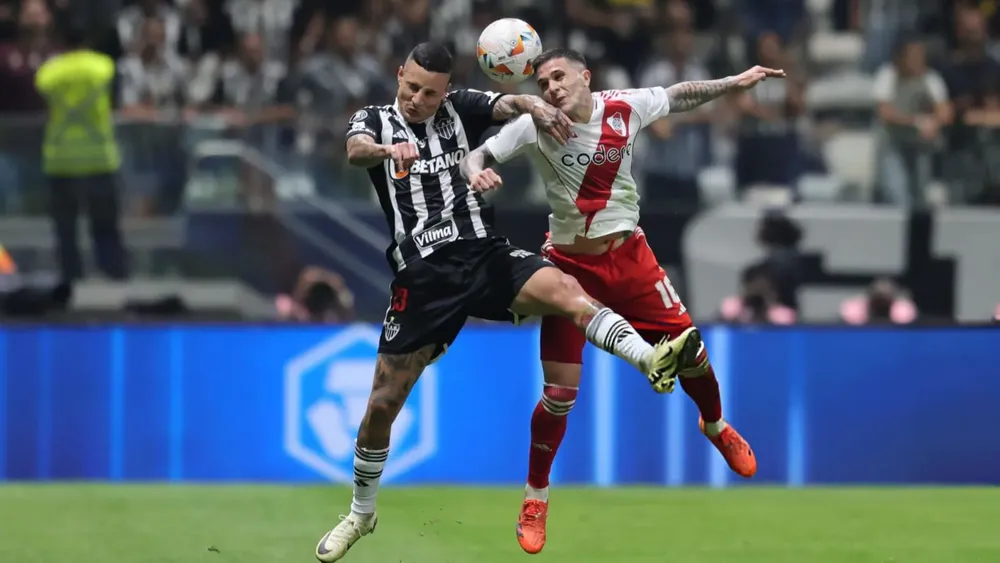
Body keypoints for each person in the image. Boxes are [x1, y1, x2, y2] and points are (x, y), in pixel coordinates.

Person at [314, 42, 704, 562]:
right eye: (411, 87)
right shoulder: (375, 120)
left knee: (567, 290)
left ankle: (649, 357)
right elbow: (355, 149)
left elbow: (507, 106)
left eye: (430, 93)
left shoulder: (459, 107)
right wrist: (390, 151)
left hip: (483, 254)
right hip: (425, 275)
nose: (417, 99)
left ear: (445, 92)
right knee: (382, 404)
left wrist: (535, 105)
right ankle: (362, 513)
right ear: (398, 75)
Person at [460, 47, 784, 554]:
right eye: (543, 84)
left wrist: (735, 81)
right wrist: (475, 170)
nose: (552, 90)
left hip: (630, 260)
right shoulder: (536, 123)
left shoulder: (625, 107)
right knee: (559, 395)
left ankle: (716, 426)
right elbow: (478, 153)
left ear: (585, 77)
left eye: (560, 78)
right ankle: (535, 497)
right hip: (568, 270)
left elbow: (681, 95)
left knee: (692, 353)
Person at [35, 23, 128, 283]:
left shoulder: (49, 72)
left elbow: (41, 92)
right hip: (99, 157)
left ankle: (70, 275)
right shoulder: (103, 66)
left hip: (60, 159)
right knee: (105, 225)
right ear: (87, 41)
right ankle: (113, 273)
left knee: (66, 228)